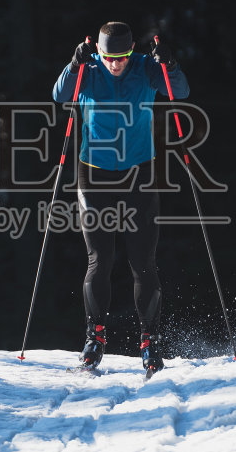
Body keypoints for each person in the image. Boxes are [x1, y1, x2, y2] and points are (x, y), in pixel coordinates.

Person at [52, 21, 189, 375]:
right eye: (109, 57)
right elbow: (60, 95)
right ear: (99, 52)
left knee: (143, 261)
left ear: (132, 52)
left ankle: (149, 342)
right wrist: (73, 64)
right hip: (93, 173)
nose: (116, 64)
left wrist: (169, 65)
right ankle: (94, 337)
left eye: (123, 57)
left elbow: (180, 91)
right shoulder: (87, 69)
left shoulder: (145, 67)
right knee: (100, 257)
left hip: (138, 173)